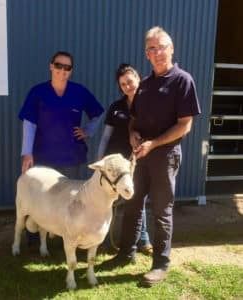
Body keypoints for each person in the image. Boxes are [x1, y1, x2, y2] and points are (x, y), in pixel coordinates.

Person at [108, 27, 201, 286]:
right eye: (151, 49)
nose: (157, 53)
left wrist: (155, 143)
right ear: (146, 55)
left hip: (166, 155)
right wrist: (133, 135)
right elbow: (133, 120)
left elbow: (185, 125)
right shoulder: (145, 85)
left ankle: (160, 264)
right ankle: (126, 253)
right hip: (142, 155)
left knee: (162, 210)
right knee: (132, 204)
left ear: (171, 49)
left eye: (161, 47)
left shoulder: (183, 81)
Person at [18, 51, 104, 245]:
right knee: (39, 199)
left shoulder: (79, 92)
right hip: (42, 156)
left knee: (69, 200)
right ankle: (34, 240)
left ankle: (65, 239)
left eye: (67, 68)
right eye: (58, 65)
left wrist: (87, 131)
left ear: (71, 71)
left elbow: (97, 113)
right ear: (51, 66)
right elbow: (29, 123)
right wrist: (26, 153)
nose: (62, 70)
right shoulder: (38, 92)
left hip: (71, 157)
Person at [97, 64, 152, 254]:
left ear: (138, 79)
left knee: (137, 199)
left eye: (130, 81)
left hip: (138, 162)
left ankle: (143, 240)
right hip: (114, 166)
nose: (127, 86)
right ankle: (104, 240)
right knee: (109, 201)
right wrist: (100, 161)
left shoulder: (149, 105)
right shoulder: (116, 107)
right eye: (123, 84)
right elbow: (105, 137)